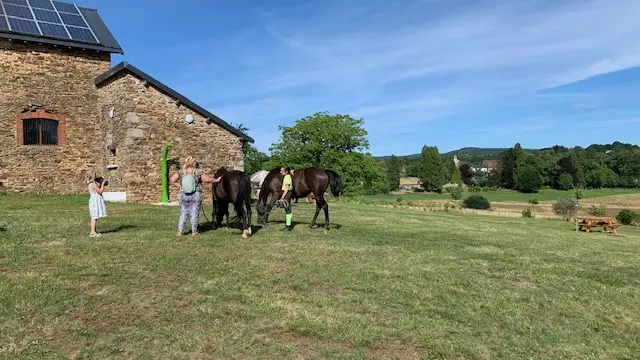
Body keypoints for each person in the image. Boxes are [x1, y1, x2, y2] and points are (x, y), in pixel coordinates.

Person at [170, 156, 221, 237]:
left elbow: (172, 180)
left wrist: (179, 186)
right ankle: (194, 232)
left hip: (183, 194)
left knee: (183, 213)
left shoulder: (180, 172)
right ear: (193, 163)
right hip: (195, 194)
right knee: (194, 213)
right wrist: (216, 180)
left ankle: (179, 232)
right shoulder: (197, 172)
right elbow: (207, 180)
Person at [87, 171, 108, 237]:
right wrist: (102, 184)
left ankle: (94, 230)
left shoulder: (91, 184)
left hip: (94, 200)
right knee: (94, 217)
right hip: (95, 201)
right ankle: (92, 232)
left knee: (94, 216)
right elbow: (100, 191)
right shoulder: (93, 184)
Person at [279, 166, 294, 232]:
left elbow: (287, 188)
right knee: (287, 209)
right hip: (287, 193)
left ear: (286, 172)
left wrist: (282, 197)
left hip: (287, 193)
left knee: (288, 209)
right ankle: (288, 225)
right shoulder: (287, 176)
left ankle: (288, 226)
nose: (280, 172)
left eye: (282, 171)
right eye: (280, 171)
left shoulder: (287, 177)